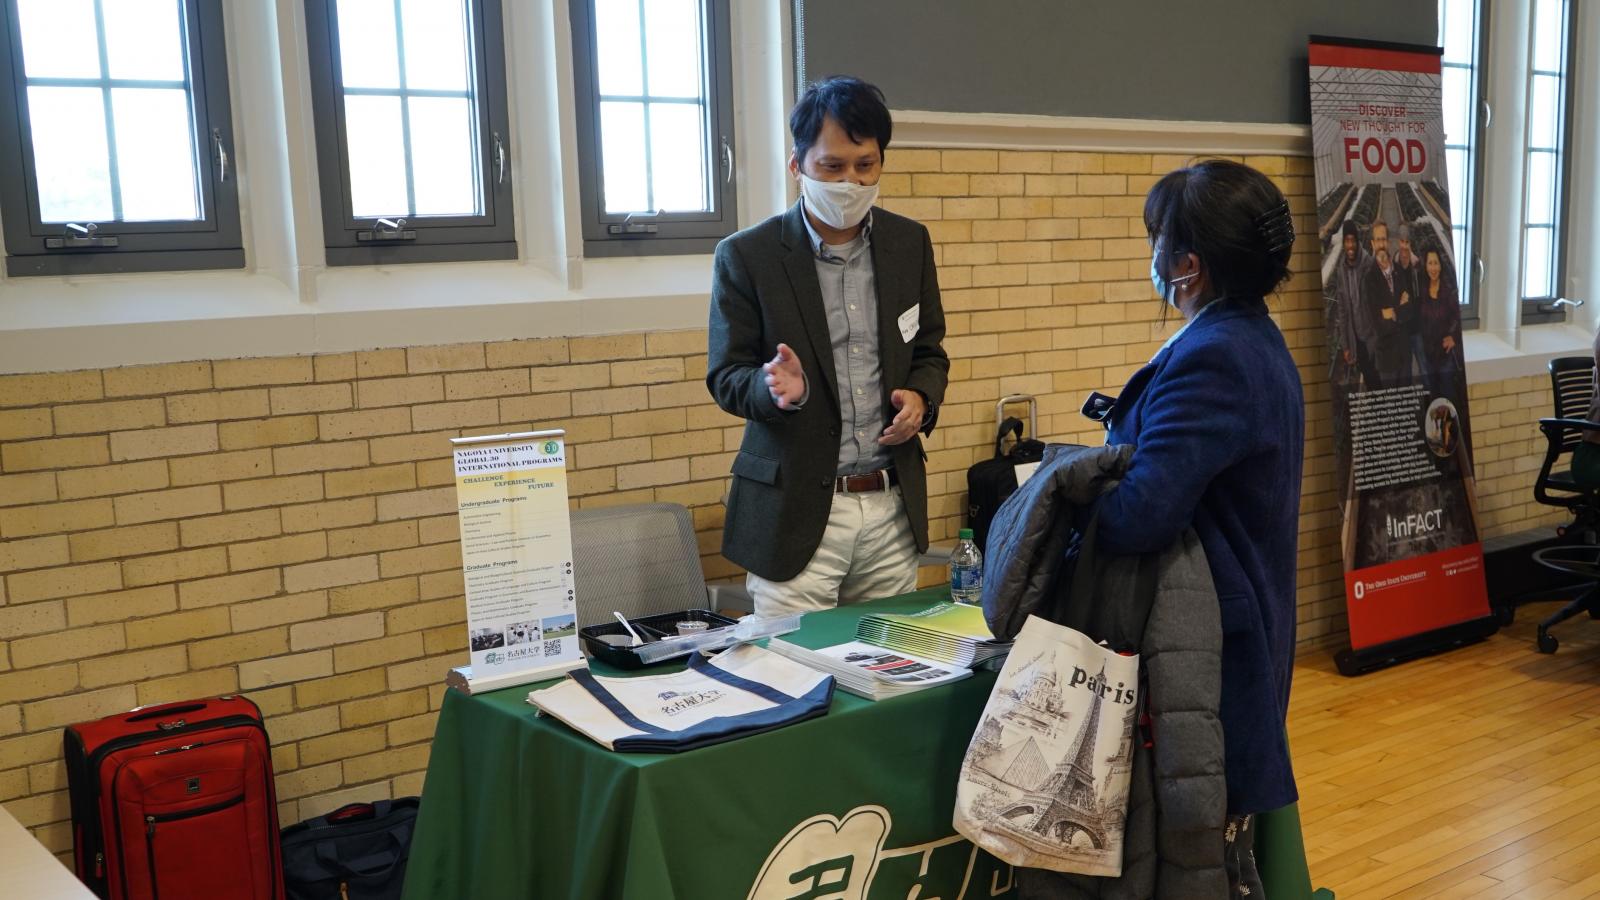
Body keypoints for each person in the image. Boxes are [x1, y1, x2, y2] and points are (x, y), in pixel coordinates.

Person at [1090, 159, 1304, 899]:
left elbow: (1143, 513)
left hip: (1210, 648)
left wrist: (1070, 492)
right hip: (1237, 628)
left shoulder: (1214, 357)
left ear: (1187, 264)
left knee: (1200, 863)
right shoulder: (1249, 338)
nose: (1151, 256)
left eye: (1159, 241)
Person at [706, 77, 949, 618]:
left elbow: (929, 348)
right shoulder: (748, 256)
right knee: (791, 680)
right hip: (796, 508)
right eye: (832, 167)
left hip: (890, 505)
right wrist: (776, 389)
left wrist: (922, 400)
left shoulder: (909, 244)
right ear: (798, 166)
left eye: (865, 165)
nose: (851, 181)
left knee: (889, 681)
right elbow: (725, 375)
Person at [1362, 227, 1412, 386]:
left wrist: (1391, 313)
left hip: (1404, 354)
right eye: (1378, 240)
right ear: (1372, 244)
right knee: (1391, 402)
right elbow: (1377, 324)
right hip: (1386, 358)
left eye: (1384, 239)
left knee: (1406, 404)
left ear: (1389, 242)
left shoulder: (1398, 270)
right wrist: (1400, 308)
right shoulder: (1369, 279)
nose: (1381, 244)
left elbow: (1409, 311)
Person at [1332, 219, 1378, 388]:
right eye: (1347, 241)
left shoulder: (1368, 264)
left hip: (1373, 336)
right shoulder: (1342, 271)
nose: (1350, 245)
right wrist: (1346, 346)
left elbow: (1378, 301)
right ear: (1344, 243)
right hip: (1357, 339)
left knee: (1379, 377)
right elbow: (1342, 310)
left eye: (1353, 240)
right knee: (1369, 377)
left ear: (1358, 242)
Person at [1418, 244, 1463, 401]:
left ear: (1441, 265)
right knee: (1433, 395)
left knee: (1448, 394)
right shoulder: (1423, 289)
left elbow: (1459, 317)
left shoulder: (1448, 291)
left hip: (1444, 357)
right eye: (1430, 263)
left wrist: (1454, 337)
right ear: (1425, 266)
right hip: (1428, 355)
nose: (1433, 268)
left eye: (1435, 263)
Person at [1394, 221, 1427, 382]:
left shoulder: (1417, 266)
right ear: (1398, 242)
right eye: (1402, 241)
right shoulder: (1393, 266)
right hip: (1402, 330)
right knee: (1405, 369)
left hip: (1417, 327)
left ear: (1410, 244)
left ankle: (1430, 401)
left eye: (1407, 242)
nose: (1404, 246)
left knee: (1423, 366)